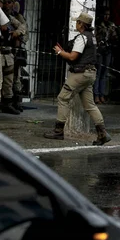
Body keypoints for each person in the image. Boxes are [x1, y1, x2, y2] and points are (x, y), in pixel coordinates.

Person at [44, 12, 111, 146]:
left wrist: (59, 52)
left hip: (80, 74)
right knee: (90, 105)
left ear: (81, 24)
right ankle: (102, 133)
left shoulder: (82, 38)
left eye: (77, 22)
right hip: (90, 74)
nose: (76, 24)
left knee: (63, 98)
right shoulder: (92, 37)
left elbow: (73, 57)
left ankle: (58, 131)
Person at [93, 7, 117, 104]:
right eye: (105, 14)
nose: (106, 16)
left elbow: (115, 37)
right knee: (98, 73)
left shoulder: (111, 25)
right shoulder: (98, 25)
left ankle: (102, 94)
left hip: (108, 50)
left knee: (104, 73)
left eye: (108, 14)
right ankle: (96, 94)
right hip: (99, 51)